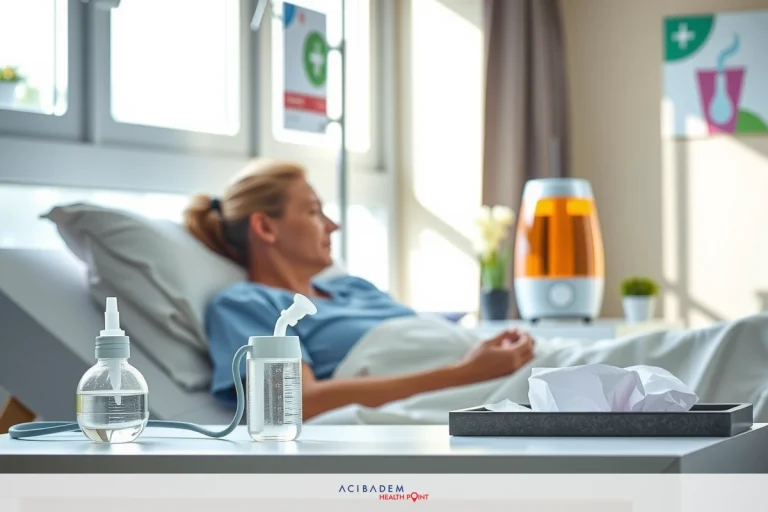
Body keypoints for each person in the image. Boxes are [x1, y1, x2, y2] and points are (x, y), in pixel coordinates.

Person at [184, 158, 535, 421]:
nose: (333, 225)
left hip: (515, 368)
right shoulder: (246, 303)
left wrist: (486, 355)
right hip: (486, 385)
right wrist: (468, 373)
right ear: (265, 227)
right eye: (314, 211)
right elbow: (296, 402)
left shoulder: (353, 287)